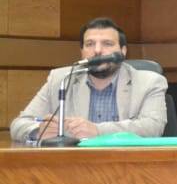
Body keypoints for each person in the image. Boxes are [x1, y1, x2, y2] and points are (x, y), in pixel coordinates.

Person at [10, 17, 168, 143]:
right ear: (82, 51)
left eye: (107, 44)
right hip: (73, 166)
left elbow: (152, 127)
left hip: (128, 166)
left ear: (123, 51)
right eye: (90, 44)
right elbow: (19, 124)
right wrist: (39, 131)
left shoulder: (149, 82)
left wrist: (98, 131)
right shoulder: (61, 79)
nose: (97, 51)